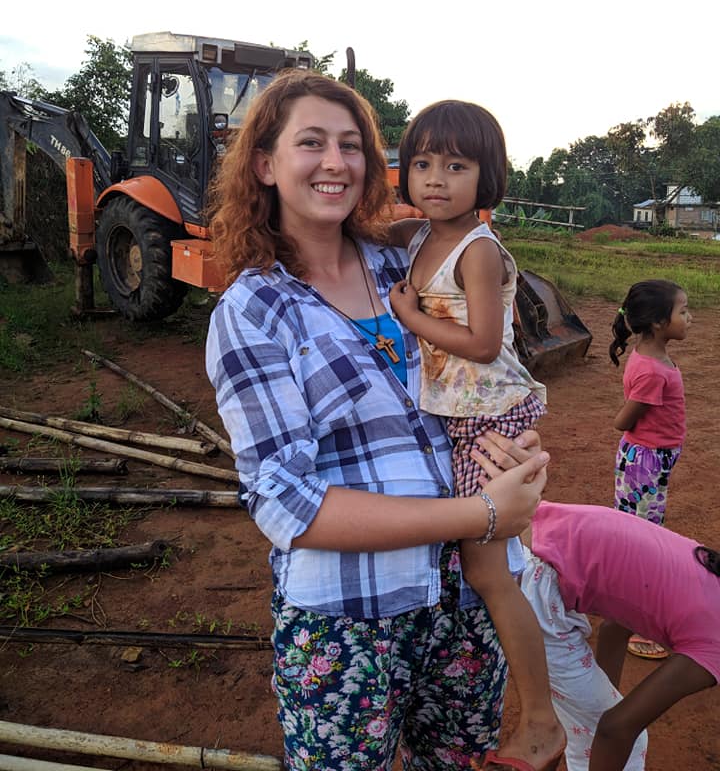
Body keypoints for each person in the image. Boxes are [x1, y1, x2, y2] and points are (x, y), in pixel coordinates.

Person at [204, 70, 549, 771]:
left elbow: (482, 368)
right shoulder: (254, 311)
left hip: (464, 604)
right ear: (265, 165)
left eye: (351, 144)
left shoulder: (407, 260)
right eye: (311, 143)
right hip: (350, 619)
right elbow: (285, 500)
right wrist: (480, 513)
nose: (335, 161)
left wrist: (514, 444)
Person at [387, 100, 565, 771]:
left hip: (489, 416)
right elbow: (366, 226)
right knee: (478, 565)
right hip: (461, 417)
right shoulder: (417, 236)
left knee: (489, 572)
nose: (436, 178)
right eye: (422, 163)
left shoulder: (478, 250)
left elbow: (486, 343)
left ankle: (542, 720)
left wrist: (410, 317)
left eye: (456, 166)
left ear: (486, 177)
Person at [513, 498, 719, 771]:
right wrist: (600, 712)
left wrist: (599, 699)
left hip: (530, 538)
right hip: (536, 587)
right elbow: (614, 729)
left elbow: (613, 631)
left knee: (584, 720)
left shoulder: (708, 574)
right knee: (621, 741)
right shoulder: (715, 643)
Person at [609, 279, 691, 658]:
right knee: (643, 541)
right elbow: (624, 421)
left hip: (651, 461)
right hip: (645, 463)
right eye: (683, 311)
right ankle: (638, 628)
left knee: (638, 532)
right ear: (659, 323)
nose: (689, 317)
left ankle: (621, 597)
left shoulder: (651, 356)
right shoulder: (653, 371)